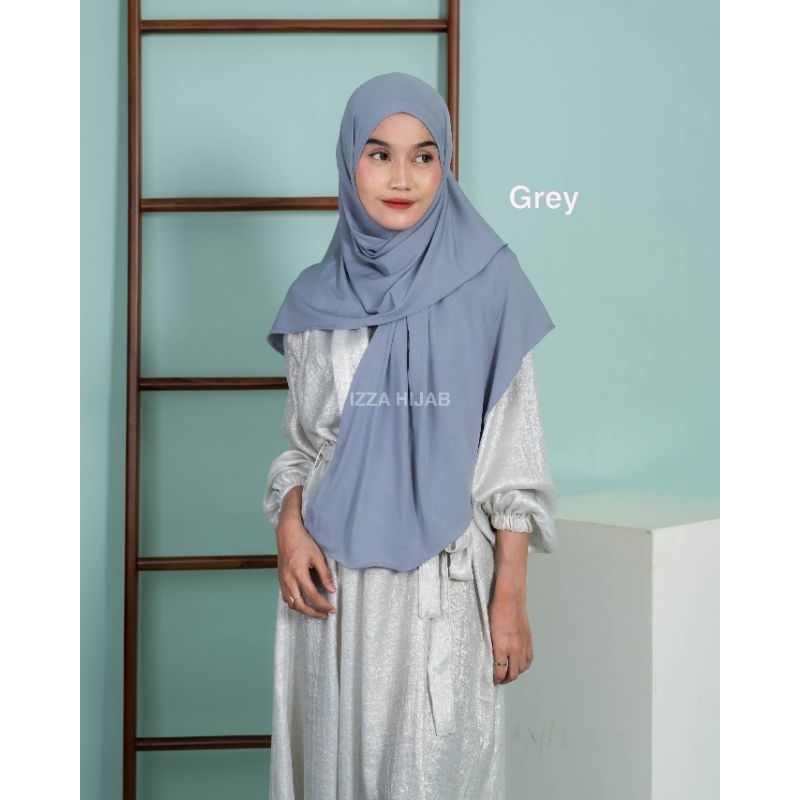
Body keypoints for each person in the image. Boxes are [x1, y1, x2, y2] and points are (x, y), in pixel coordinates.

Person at [263, 72, 557, 800]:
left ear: (444, 162)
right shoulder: (314, 299)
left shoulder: (490, 284)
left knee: (432, 774)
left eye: (423, 156)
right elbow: (303, 447)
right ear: (349, 162)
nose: (402, 178)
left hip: (439, 586)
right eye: (379, 154)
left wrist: (510, 599)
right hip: (331, 589)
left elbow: (513, 458)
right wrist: (290, 530)